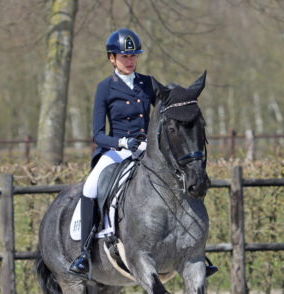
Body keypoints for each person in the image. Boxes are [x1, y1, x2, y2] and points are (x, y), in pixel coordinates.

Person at [69, 28, 217, 279]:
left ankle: (194, 249)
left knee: (179, 180)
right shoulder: (104, 88)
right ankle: (84, 252)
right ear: (112, 58)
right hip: (116, 150)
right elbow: (97, 134)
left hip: (146, 149)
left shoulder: (148, 83)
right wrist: (123, 142)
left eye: (133, 56)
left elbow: (167, 107)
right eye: (124, 57)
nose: (129, 61)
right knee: (90, 188)